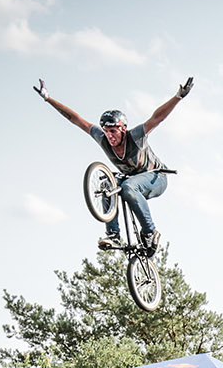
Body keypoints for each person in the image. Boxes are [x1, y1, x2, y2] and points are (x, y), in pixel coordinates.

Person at [34, 77, 193, 252]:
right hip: (131, 179)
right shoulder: (101, 138)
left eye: (113, 131)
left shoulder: (136, 136)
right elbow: (75, 118)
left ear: (123, 129)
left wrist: (178, 96)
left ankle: (150, 232)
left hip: (157, 177)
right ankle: (114, 235)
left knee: (128, 187)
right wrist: (48, 98)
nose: (109, 136)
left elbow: (157, 118)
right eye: (106, 131)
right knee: (107, 185)